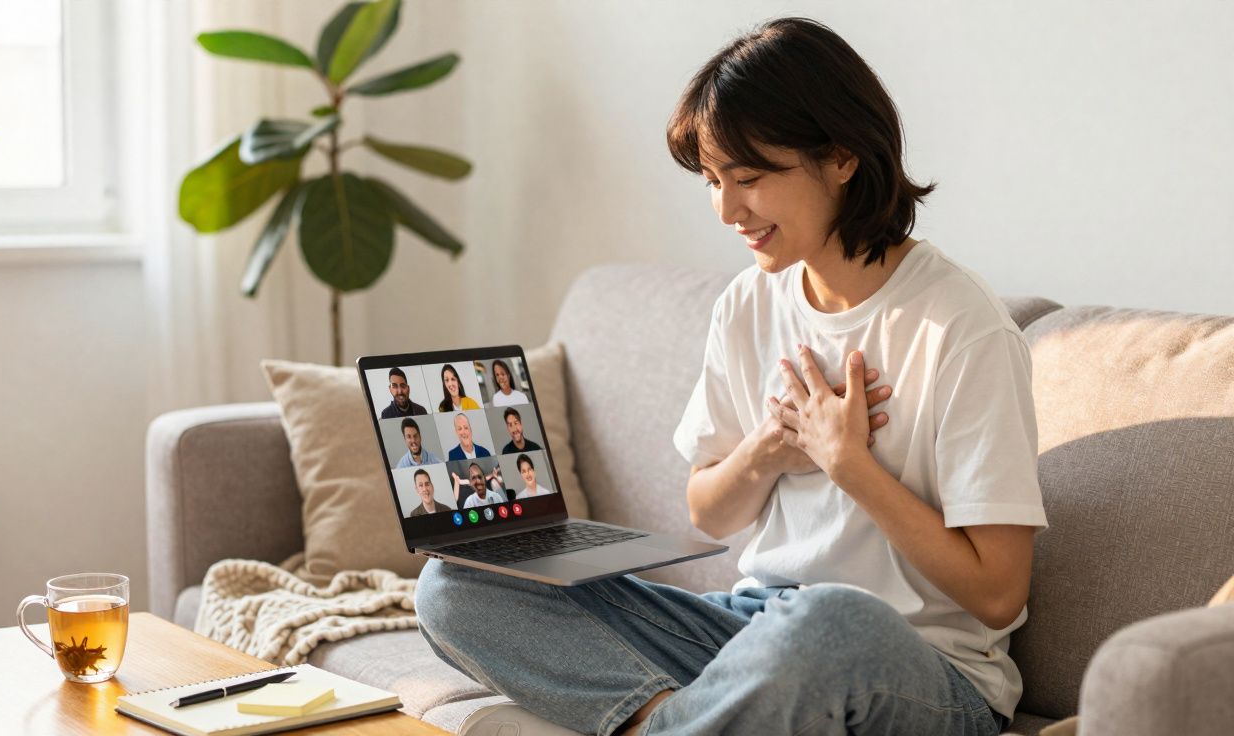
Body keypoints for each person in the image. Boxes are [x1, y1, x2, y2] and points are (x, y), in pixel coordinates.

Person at [416, 17, 1046, 736]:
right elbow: (709, 510)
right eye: (714, 181)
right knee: (460, 582)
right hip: (753, 631)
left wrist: (850, 466)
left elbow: (997, 594)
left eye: (748, 178)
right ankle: (684, 722)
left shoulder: (961, 328)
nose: (726, 209)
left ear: (841, 156)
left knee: (831, 618)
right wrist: (768, 451)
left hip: (919, 670)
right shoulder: (749, 302)